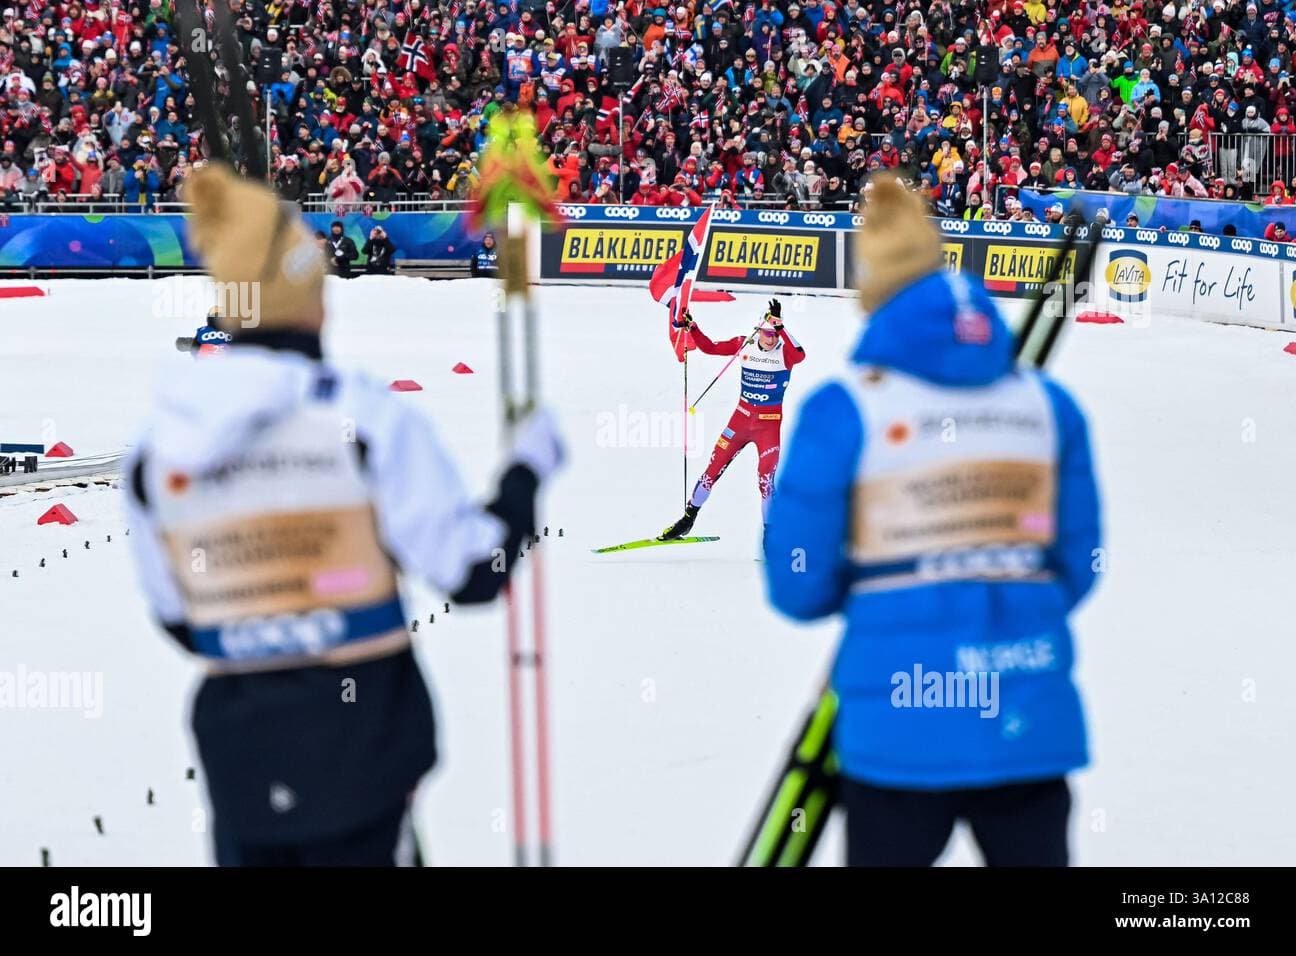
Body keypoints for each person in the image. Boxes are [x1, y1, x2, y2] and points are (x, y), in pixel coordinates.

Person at [124, 164, 564, 866]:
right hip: (363, 761)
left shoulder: (155, 449)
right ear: (308, 298)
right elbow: (474, 570)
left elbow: (182, 620)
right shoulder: (363, 418)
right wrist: (525, 476)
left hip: (243, 769)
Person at [763, 175, 1102, 867]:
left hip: (894, 738)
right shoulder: (1047, 405)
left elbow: (797, 587)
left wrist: (895, 582)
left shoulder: (845, 407)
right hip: (1027, 722)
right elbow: (1075, 567)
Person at [658, 299, 805, 541]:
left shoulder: (785, 354)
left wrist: (781, 327)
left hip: (768, 427)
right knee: (711, 471)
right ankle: (687, 519)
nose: (772, 339)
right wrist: (692, 327)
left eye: (775, 334)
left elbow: (800, 355)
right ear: (758, 330)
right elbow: (709, 347)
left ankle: (771, 534)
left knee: (765, 482)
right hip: (740, 422)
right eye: (767, 333)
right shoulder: (743, 345)